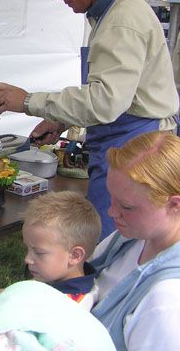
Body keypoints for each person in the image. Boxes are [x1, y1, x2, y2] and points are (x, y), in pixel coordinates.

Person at [0, 0, 178, 239]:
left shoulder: (121, 21)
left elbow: (105, 102)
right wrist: (60, 120)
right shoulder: (110, 14)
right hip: (124, 140)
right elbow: (113, 91)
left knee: (113, 245)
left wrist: (27, 101)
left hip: (135, 151)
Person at [89, 131, 180, 351]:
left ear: (175, 205)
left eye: (126, 206)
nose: (111, 212)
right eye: (111, 197)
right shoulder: (133, 238)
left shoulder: (166, 303)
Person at [0, 190, 101, 320]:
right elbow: (28, 291)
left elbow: (27, 337)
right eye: (28, 249)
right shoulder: (57, 278)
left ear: (75, 255)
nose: (27, 259)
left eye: (39, 252)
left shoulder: (70, 309)